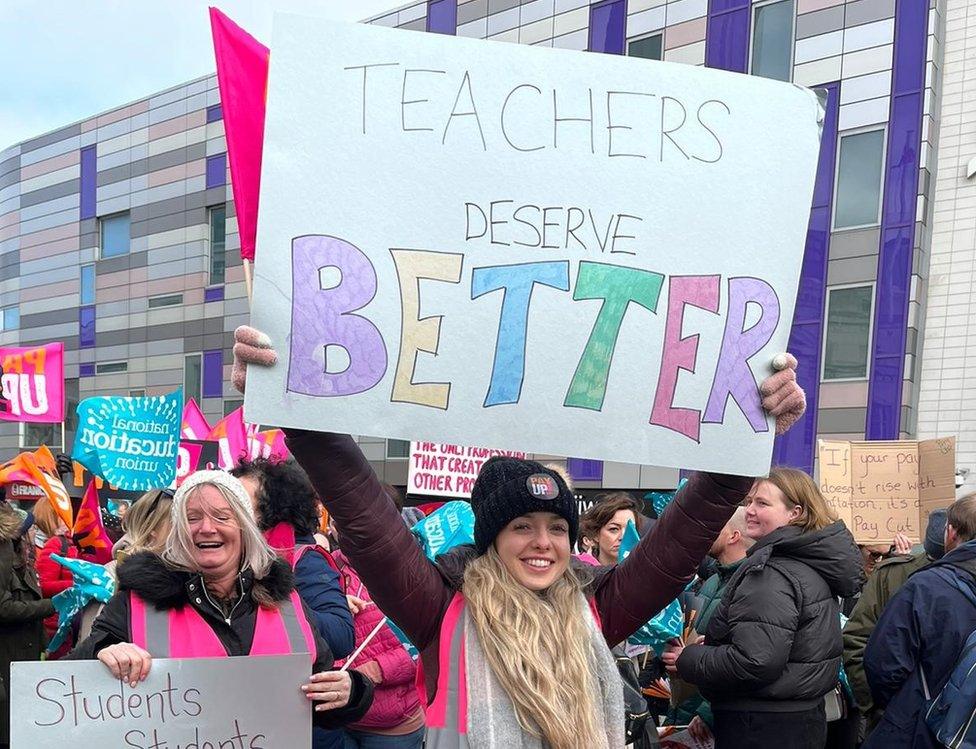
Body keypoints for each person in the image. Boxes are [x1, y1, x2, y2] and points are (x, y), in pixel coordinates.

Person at [231, 325, 807, 747]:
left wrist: (742, 446)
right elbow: (365, 517)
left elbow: (677, 543)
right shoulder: (439, 607)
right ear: (491, 538)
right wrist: (295, 408)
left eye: (557, 527)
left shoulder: (597, 607)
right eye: (521, 527)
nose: (543, 542)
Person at [68, 471, 374, 732]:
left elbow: (320, 696)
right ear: (178, 532)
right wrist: (102, 653)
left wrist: (353, 692)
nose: (207, 527)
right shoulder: (135, 602)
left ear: (244, 528)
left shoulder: (288, 601)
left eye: (221, 516)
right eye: (192, 518)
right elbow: (70, 686)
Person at [662, 468, 864, 749]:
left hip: (761, 727)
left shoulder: (771, 573)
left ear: (795, 512)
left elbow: (755, 661)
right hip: (794, 723)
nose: (750, 511)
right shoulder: (802, 565)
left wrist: (690, 658)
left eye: (763, 503)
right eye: (750, 502)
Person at [862, 496, 976, 749]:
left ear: (951, 532)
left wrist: (904, 705)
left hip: (917, 728)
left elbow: (882, 664)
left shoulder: (927, 588)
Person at [230, 456, 355, 659]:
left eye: (239, 502)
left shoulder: (303, 560)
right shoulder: (214, 556)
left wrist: (271, 610)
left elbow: (341, 635)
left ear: (274, 511)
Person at [842, 509, 947, 734]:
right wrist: (877, 706)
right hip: (895, 721)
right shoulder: (892, 575)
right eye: (874, 555)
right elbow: (856, 641)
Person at [332, 529, 425, 748]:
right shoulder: (328, 565)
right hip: (338, 717)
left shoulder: (412, 571)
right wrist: (332, 604)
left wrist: (375, 671)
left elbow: (426, 646)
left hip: (393, 728)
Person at [669, 508, 756, 741]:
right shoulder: (711, 582)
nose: (706, 532)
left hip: (712, 720)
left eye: (715, 526)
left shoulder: (751, 586)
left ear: (733, 536)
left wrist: (708, 712)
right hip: (685, 712)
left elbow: (747, 661)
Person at [77, 488, 175, 642]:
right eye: (178, 522)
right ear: (153, 528)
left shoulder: (183, 573)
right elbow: (91, 646)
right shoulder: (109, 576)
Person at [0, 497, 54, 749]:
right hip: (8, 659)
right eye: (30, 528)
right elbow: (4, 608)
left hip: (28, 657)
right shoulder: (6, 565)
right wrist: (54, 605)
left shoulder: (24, 564)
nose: (34, 532)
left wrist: (46, 646)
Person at [32, 496, 77, 657]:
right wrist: (76, 584)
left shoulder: (69, 542)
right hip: (54, 624)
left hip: (67, 621)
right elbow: (43, 586)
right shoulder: (55, 543)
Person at [578, 492, 645, 567]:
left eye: (630, 530)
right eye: (614, 529)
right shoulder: (576, 572)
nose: (623, 537)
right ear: (595, 535)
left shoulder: (647, 574)